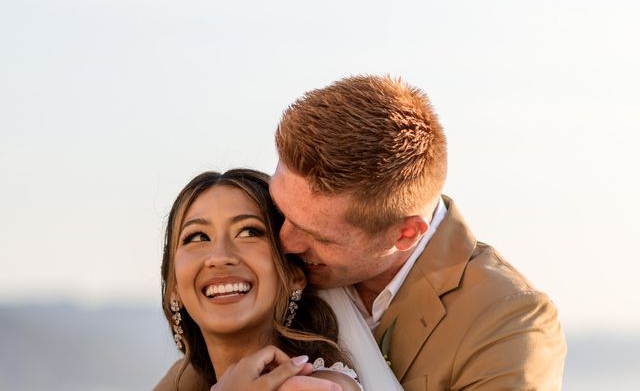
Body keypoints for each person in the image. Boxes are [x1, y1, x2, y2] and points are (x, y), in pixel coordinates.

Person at [158, 75, 567, 390]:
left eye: (316, 234)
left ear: (405, 235)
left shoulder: (507, 320)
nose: (286, 243)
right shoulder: (280, 277)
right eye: (282, 213)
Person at [154, 169, 366, 391]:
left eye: (248, 232)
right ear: (174, 286)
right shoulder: (179, 383)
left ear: (294, 274)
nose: (220, 257)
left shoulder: (314, 385)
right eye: (198, 237)